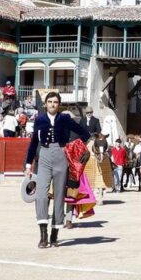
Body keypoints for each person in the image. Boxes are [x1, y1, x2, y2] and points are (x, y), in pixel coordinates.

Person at [23, 92, 90, 249]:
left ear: (58, 104)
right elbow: (33, 143)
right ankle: (43, 235)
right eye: (50, 102)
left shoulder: (65, 119)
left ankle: (54, 233)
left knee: (59, 196)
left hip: (61, 156)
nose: (52, 104)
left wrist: (79, 147)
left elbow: (83, 132)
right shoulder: (39, 120)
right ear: (45, 104)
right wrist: (28, 165)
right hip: (44, 156)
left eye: (55, 102)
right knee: (41, 195)